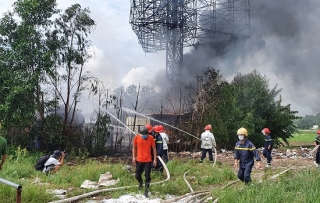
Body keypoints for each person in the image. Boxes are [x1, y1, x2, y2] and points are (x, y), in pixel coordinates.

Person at [132, 126, 157, 197]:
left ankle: (146, 191)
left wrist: (155, 159)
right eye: (142, 135)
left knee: (148, 176)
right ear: (140, 134)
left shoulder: (151, 138)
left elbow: (154, 148)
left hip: (148, 160)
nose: (144, 136)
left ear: (148, 134)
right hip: (139, 159)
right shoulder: (137, 137)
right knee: (137, 175)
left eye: (145, 135)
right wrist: (134, 157)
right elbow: (134, 147)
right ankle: (140, 182)